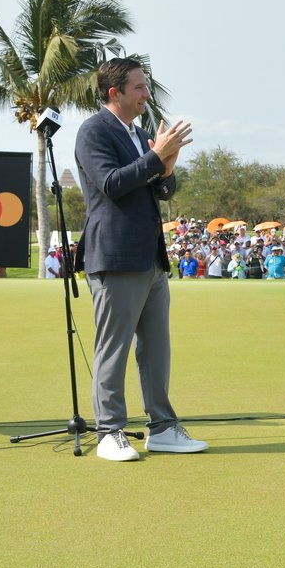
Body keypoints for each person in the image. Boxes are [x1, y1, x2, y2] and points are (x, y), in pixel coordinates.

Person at [75, 58, 207, 461]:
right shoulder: (93, 131)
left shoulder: (141, 133)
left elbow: (160, 190)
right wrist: (156, 158)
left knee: (156, 348)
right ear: (114, 93)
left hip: (150, 256)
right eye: (138, 87)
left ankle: (163, 427)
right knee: (112, 348)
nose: (146, 94)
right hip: (114, 255)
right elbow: (112, 184)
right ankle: (108, 431)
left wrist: (166, 166)